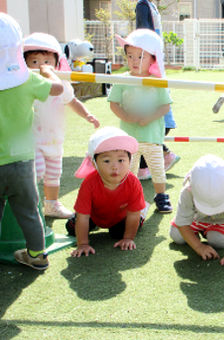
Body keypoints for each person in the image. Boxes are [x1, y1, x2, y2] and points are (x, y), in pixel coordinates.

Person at [0, 13, 64, 270]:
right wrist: (49, 71)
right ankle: (37, 255)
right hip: (22, 162)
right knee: (29, 213)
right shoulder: (27, 78)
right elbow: (58, 89)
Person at [23, 32, 100, 219]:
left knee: (53, 175)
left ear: (57, 63)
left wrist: (87, 115)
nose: (41, 67)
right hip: (33, 140)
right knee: (37, 171)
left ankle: (51, 205)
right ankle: (28, 205)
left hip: (55, 139)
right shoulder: (28, 83)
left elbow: (72, 101)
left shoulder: (62, 84)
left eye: (47, 61)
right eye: (34, 62)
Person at [108, 29, 173, 213]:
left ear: (152, 59)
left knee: (157, 168)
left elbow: (165, 106)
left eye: (140, 57)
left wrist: (149, 118)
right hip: (129, 138)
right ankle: (129, 197)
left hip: (152, 136)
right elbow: (113, 104)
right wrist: (127, 117)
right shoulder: (122, 80)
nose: (134, 61)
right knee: (129, 170)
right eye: (130, 56)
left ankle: (161, 196)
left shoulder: (157, 81)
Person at [68, 127, 147, 257]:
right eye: (106, 161)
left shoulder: (133, 182)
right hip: (94, 216)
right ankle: (80, 220)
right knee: (72, 227)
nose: (115, 166)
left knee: (118, 233)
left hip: (119, 217)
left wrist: (128, 238)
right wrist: (82, 244)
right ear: (94, 164)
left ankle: (142, 215)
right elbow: (83, 217)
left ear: (129, 161)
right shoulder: (89, 183)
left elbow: (133, 214)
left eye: (121, 160)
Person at [169, 154, 224, 268]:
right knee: (176, 235)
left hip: (222, 221)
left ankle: (209, 232)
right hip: (195, 218)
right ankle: (197, 231)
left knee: (218, 241)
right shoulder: (187, 191)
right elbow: (183, 224)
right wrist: (198, 246)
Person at [135, 0, 180, 181]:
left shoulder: (143, 6)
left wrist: (138, 64)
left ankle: (152, 163)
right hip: (155, 68)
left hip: (149, 70)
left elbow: (142, 37)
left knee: (145, 121)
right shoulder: (151, 7)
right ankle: (157, 159)